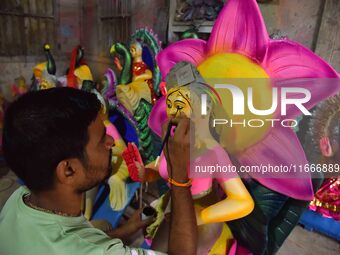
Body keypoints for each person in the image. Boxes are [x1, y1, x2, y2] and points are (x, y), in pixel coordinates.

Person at [0, 87, 197, 255]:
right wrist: (178, 175)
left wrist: (124, 231)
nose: (111, 142)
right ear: (68, 170)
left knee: (101, 225)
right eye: (102, 139)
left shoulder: (20, 198)